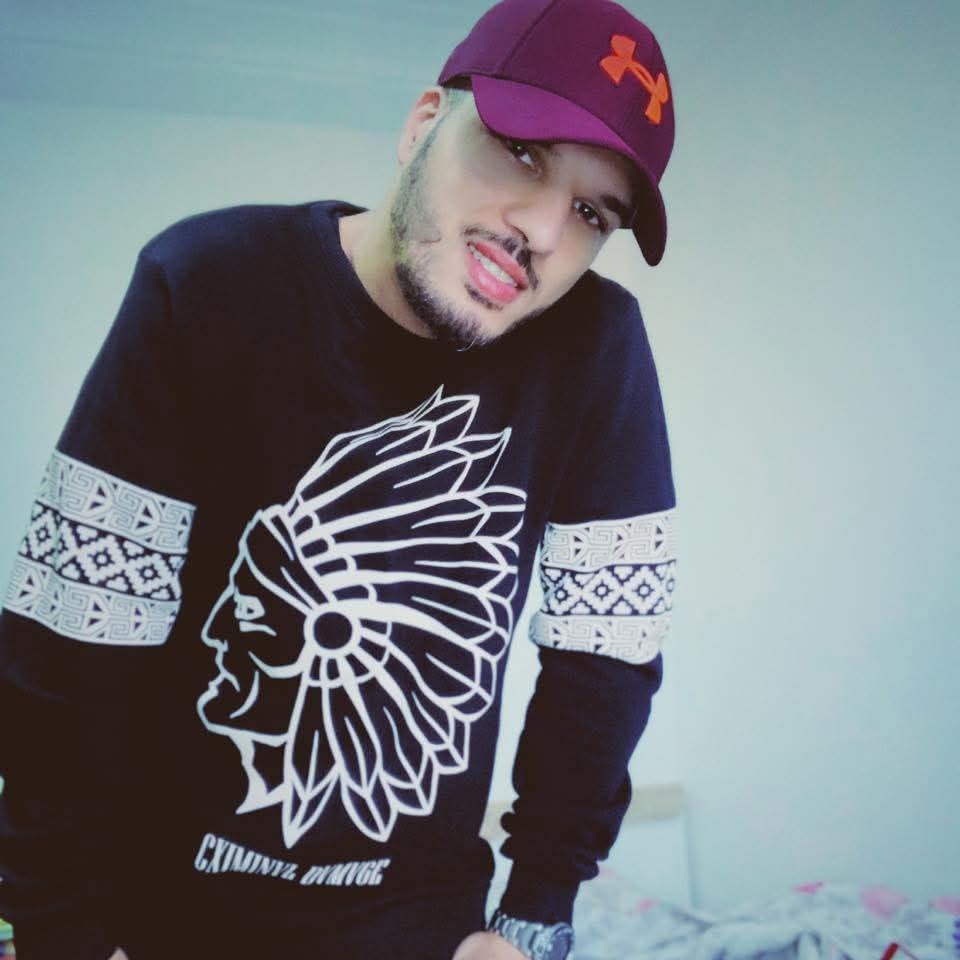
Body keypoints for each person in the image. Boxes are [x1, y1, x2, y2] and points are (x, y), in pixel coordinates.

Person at [0, 0, 678, 957]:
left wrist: (533, 915)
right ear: (422, 122)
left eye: (590, 212)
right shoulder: (210, 283)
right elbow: (78, 629)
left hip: (419, 929)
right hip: (157, 920)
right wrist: (59, 929)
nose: (539, 229)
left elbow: (606, 649)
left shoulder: (593, 349)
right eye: (522, 153)